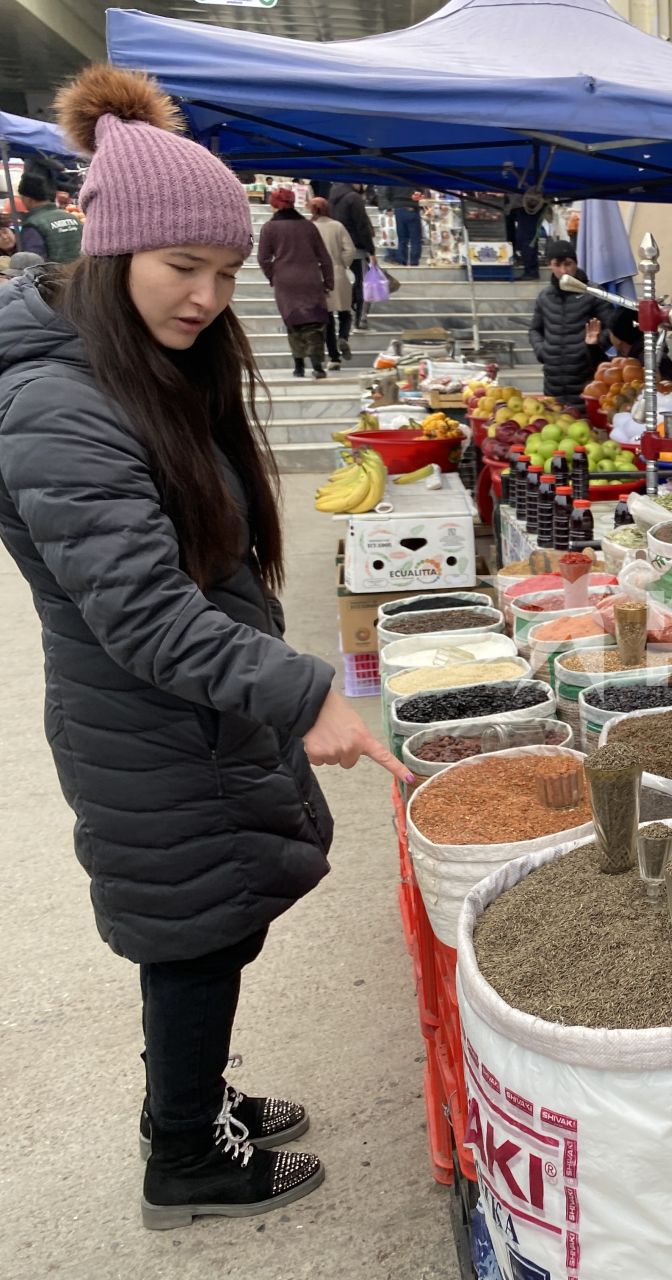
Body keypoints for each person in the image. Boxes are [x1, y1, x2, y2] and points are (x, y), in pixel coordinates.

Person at [0, 63, 410, 1231]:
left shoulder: (138, 364)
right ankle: (185, 1153)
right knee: (194, 927)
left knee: (212, 917)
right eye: (184, 268)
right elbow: (138, 608)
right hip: (148, 717)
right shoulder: (56, 402)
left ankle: (191, 1097)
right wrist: (303, 692)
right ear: (109, 246)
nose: (206, 297)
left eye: (225, 274)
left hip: (187, 711)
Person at [257, 187, 335, 379]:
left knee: (294, 323)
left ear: (273, 204)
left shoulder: (269, 227)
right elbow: (324, 257)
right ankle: (317, 365)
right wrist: (329, 280)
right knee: (314, 322)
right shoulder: (308, 226)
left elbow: (263, 258)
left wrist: (272, 276)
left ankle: (298, 366)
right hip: (310, 278)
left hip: (285, 280)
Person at [530, 239, 610, 402]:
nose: (564, 270)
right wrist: (542, 351)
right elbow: (535, 330)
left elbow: (611, 328)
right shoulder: (545, 297)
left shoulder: (594, 293)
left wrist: (593, 347)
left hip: (586, 377)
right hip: (554, 382)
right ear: (550, 266)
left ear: (576, 263)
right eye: (557, 265)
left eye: (568, 264)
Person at [308, 196, 357, 371]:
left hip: (318, 275)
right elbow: (349, 249)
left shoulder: (310, 227)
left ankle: (334, 357)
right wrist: (342, 263)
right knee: (345, 313)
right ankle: (343, 336)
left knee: (327, 320)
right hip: (338, 273)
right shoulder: (337, 226)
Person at [587, 310, 672, 390]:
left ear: (618, 338)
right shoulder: (632, 356)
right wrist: (593, 347)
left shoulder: (652, 360)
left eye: (611, 332)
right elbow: (610, 375)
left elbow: (670, 392)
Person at [328, 182, 374, 328]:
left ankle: (344, 317)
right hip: (356, 247)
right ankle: (360, 319)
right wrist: (371, 250)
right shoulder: (354, 198)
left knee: (345, 283)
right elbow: (362, 226)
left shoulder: (332, 197)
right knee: (362, 283)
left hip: (337, 247)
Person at [14, 170, 83, 264]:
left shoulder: (33, 224)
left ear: (27, 199)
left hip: (54, 277)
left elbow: (33, 264)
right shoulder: (72, 218)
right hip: (82, 275)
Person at [378, 185, 423, 266]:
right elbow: (420, 192)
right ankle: (414, 261)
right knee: (415, 239)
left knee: (401, 238)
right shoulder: (415, 176)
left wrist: (388, 207)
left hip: (397, 208)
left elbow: (386, 193)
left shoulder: (393, 178)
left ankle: (401, 260)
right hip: (412, 208)